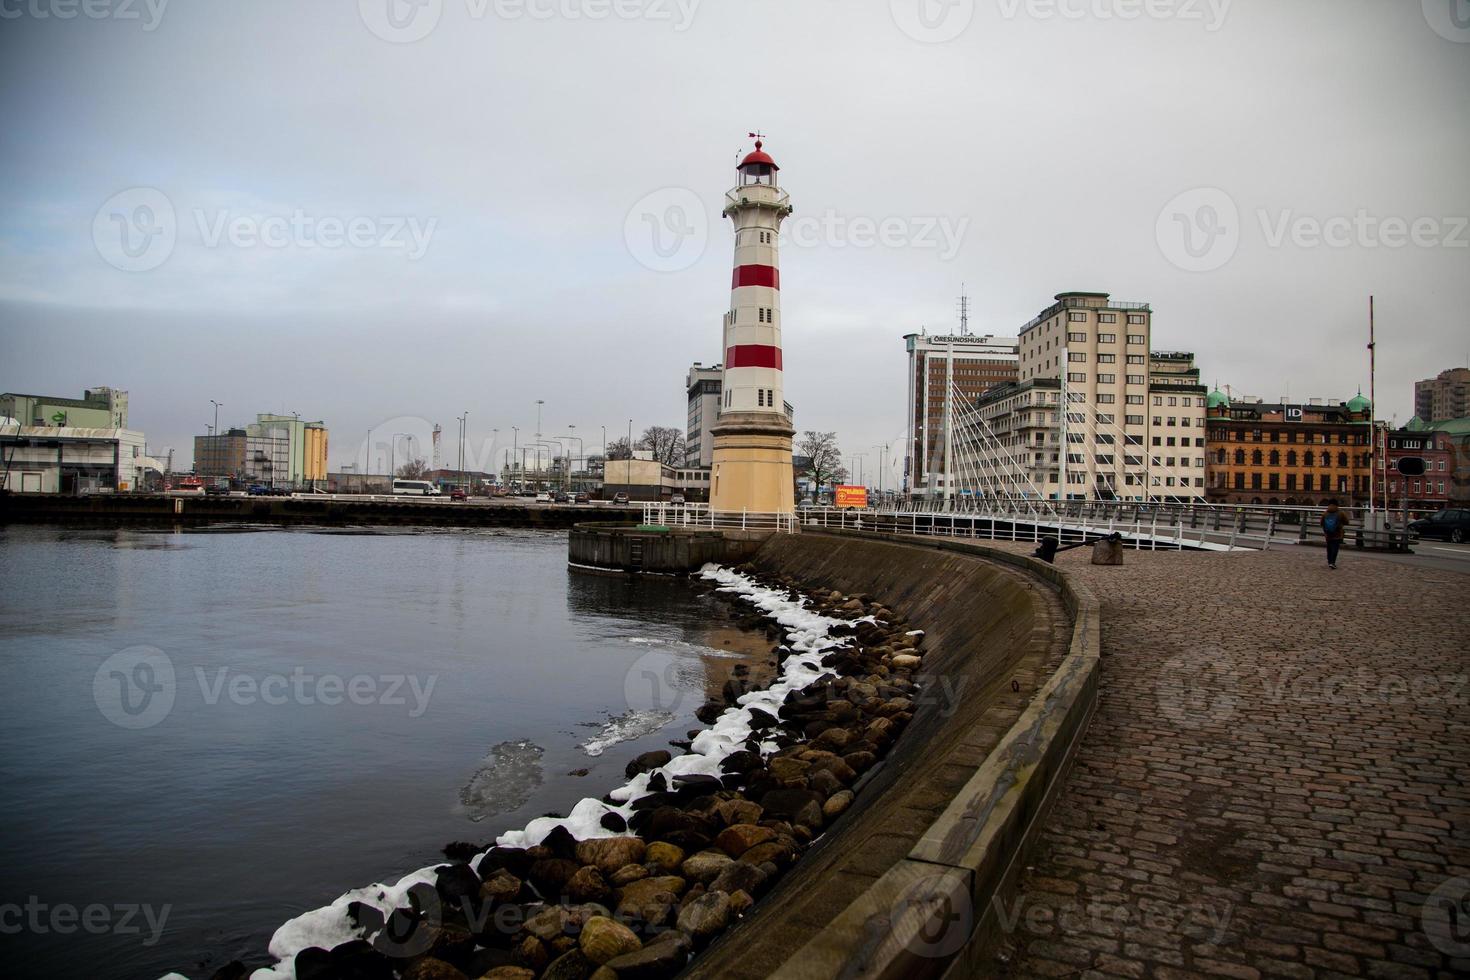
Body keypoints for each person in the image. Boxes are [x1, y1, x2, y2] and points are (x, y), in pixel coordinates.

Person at [1321, 500, 1348, 569]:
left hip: (1328, 533)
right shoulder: (1340, 513)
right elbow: (1347, 522)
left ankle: (1329, 561)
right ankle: (1333, 562)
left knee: (1329, 548)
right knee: (1335, 548)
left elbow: (1321, 523)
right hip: (1337, 533)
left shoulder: (1325, 513)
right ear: (1337, 505)